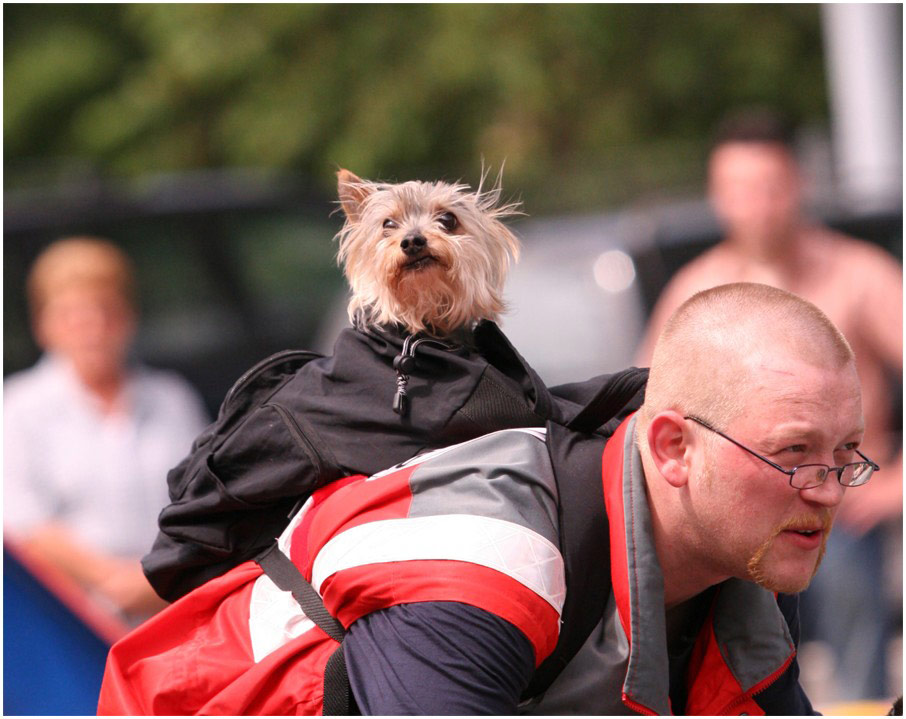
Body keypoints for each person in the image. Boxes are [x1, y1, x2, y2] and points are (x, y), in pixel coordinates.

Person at [98, 282, 871, 715]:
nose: (828, 491)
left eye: (846, 454)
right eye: (794, 452)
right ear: (672, 447)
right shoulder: (488, 560)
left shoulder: (748, 558)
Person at [635, 109, 902, 702]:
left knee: (850, 621)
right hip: (735, 515)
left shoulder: (860, 275)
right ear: (715, 195)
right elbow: (641, 417)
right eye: (738, 189)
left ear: (799, 186)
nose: (755, 205)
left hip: (841, 511)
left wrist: (897, 484)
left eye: (769, 187)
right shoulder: (696, 291)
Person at [4, 237, 209, 622]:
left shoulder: (171, 397)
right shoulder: (18, 407)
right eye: (73, 314)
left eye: (105, 310)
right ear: (43, 324)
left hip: (174, 603)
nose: (92, 328)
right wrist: (114, 580)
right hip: (75, 621)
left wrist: (161, 575)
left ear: (128, 315)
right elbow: (23, 524)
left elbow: (204, 499)